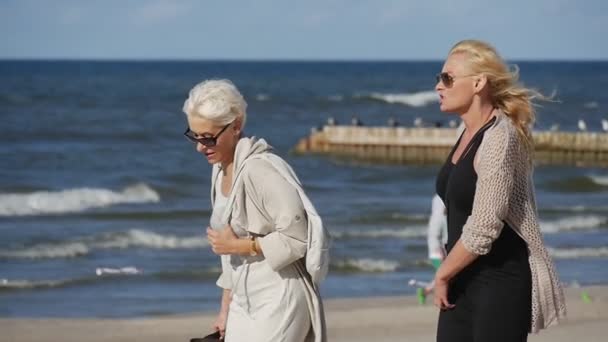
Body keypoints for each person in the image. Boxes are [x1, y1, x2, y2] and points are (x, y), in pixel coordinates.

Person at [432, 40, 566, 342]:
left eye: (447, 78)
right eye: (439, 78)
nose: (439, 86)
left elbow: (484, 227)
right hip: (461, 280)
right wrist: (449, 269)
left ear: (479, 83)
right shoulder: (464, 133)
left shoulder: (499, 138)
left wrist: (441, 273)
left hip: (499, 284)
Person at [182, 79, 328, 342]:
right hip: (242, 299)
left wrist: (240, 246)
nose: (200, 146)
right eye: (194, 135)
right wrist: (225, 309)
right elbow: (229, 258)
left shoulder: (261, 170)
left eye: (208, 138)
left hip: (279, 297)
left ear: (236, 126)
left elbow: (297, 237)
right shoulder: (220, 169)